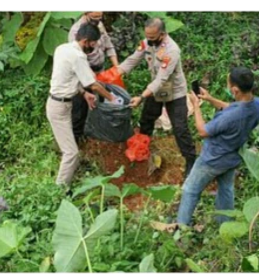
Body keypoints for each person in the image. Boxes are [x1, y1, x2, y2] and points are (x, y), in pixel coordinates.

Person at [177, 66, 259, 225]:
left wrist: (196, 106)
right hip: (233, 156)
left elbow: (203, 131)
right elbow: (232, 107)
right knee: (226, 190)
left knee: (190, 190)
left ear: (235, 90)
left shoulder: (231, 117)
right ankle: (225, 224)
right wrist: (210, 99)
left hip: (212, 159)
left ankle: (181, 227)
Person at [118, 18, 196, 177]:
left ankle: (191, 161)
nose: (149, 41)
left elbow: (162, 78)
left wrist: (141, 97)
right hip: (156, 88)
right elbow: (133, 59)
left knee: (180, 128)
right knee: (147, 118)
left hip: (174, 92)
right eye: (147, 37)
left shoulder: (171, 50)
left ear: (163, 34)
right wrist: (116, 73)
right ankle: (142, 149)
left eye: (153, 38)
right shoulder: (147, 42)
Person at [46, 23, 114, 186]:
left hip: (60, 103)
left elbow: (67, 78)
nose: (95, 47)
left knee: (69, 147)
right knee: (71, 153)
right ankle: (59, 190)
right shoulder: (78, 56)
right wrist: (113, 99)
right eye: (93, 43)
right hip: (59, 108)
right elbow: (94, 84)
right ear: (85, 41)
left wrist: (84, 94)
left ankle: (69, 176)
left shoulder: (62, 49)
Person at [69, 12, 119, 143]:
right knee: (80, 106)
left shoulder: (99, 25)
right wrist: (112, 98)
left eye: (100, 17)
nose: (98, 20)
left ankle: (96, 128)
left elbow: (109, 46)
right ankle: (76, 137)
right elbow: (78, 58)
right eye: (95, 17)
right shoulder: (76, 31)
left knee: (96, 102)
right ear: (86, 13)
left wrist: (117, 68)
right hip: (83, 72)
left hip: (99, 71)